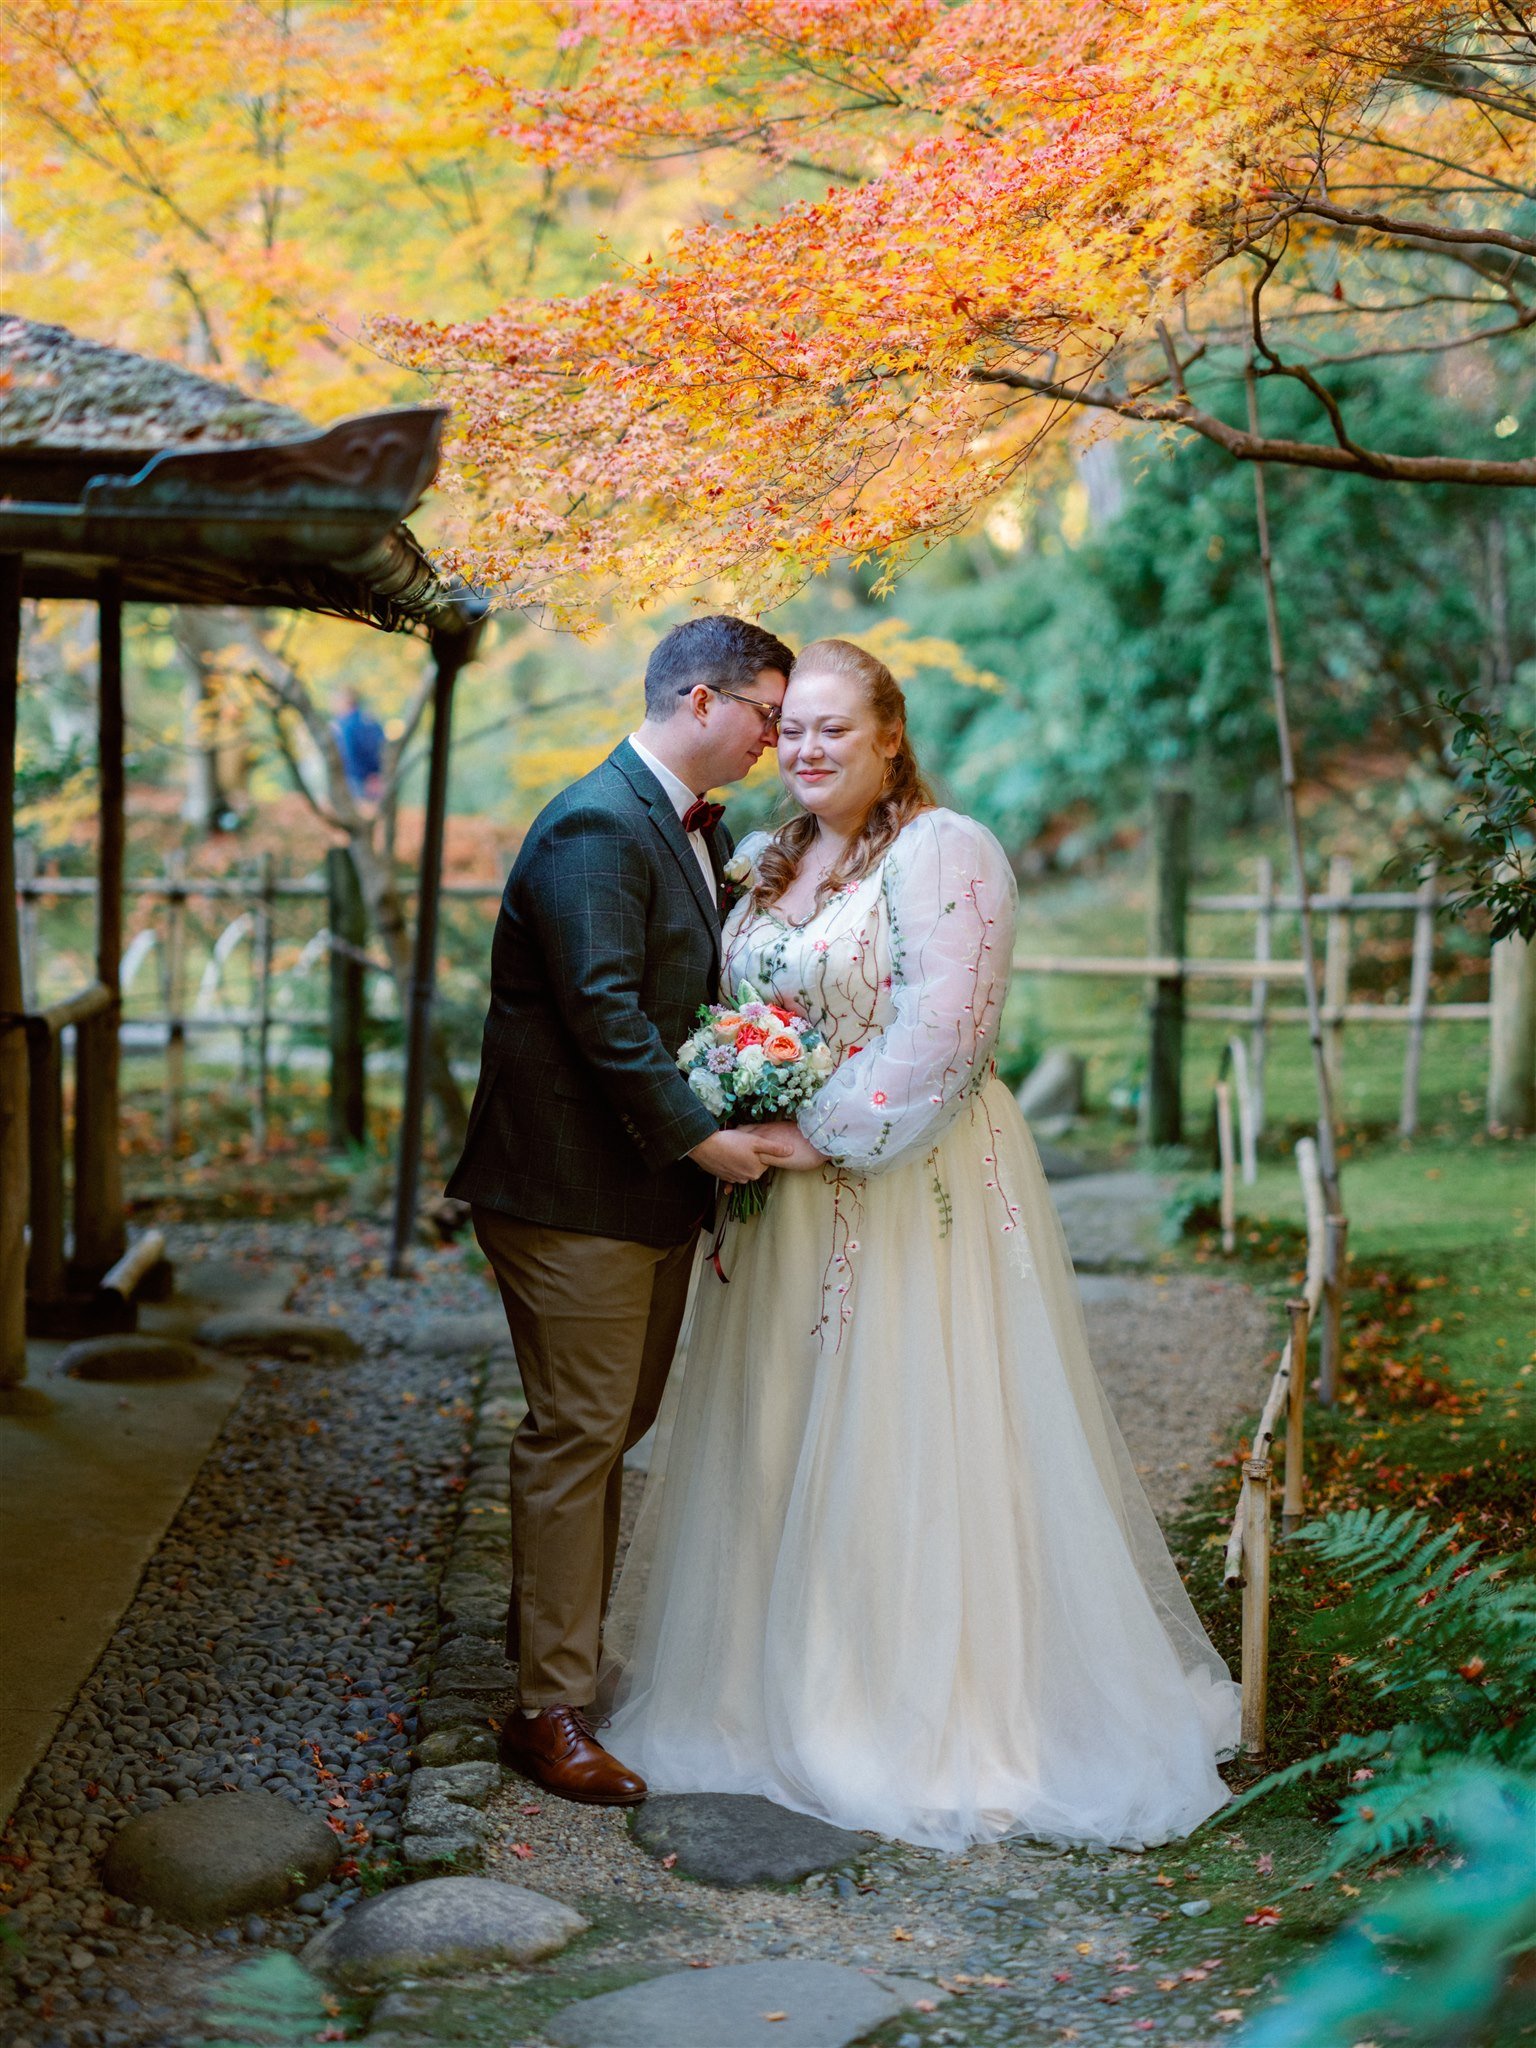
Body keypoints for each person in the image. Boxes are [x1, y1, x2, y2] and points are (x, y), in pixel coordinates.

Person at [601, 636, 1242, 1851]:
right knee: (778, 1428)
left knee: (903, 1426)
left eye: (833, 728)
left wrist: (811, 1134)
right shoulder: (765, 859)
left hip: (904, 1187)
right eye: (790, 727)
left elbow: (944, 1034)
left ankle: (917, 1707)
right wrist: (735, 1101)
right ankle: (761, 1692)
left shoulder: (948, 854)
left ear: (891, 736)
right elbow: (738, 1012)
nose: (804, 747)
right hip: (775, 1204)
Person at [446, 614, 796, 1805]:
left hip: (642, 1190)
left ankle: (552, 1628)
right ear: (701, 701)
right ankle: (548, 1703)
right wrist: (706, 1136)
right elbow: (603, 1010)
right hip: (571, 1188)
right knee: (580, 1430)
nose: (775, 736)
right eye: (766, 712)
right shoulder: (599, 823)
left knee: (612, 1422)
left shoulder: (702, 830)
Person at [333, 688, 386, 801]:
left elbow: (351, 753)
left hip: (357, 780)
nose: (335, 705)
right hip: (374, 779)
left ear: (347, 701)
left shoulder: (347, 725)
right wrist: (376, 774)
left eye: (337, 701)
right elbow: (383, 747)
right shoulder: (370, 720)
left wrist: (369, 776)